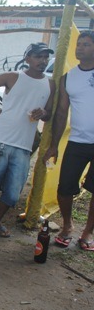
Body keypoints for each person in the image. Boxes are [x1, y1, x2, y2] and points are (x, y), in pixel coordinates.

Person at [0, 42, 55, 237]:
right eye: (38, 56)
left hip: (24, 145)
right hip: (0, 139)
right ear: (27, 58)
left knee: (12, 193)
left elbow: (49, 113)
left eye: (46, 57)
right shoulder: (13, 77)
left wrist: (43, 112)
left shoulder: (50, 84)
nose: (43, 61)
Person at [44, 31, 94, 251]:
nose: (80, 48)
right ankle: (67, 226)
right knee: (65, 187)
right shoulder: (68, 77)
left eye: (86, 44)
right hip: (77, 142)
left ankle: (88, 232)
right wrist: (54, 145)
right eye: (79, 44)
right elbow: (62, 113)